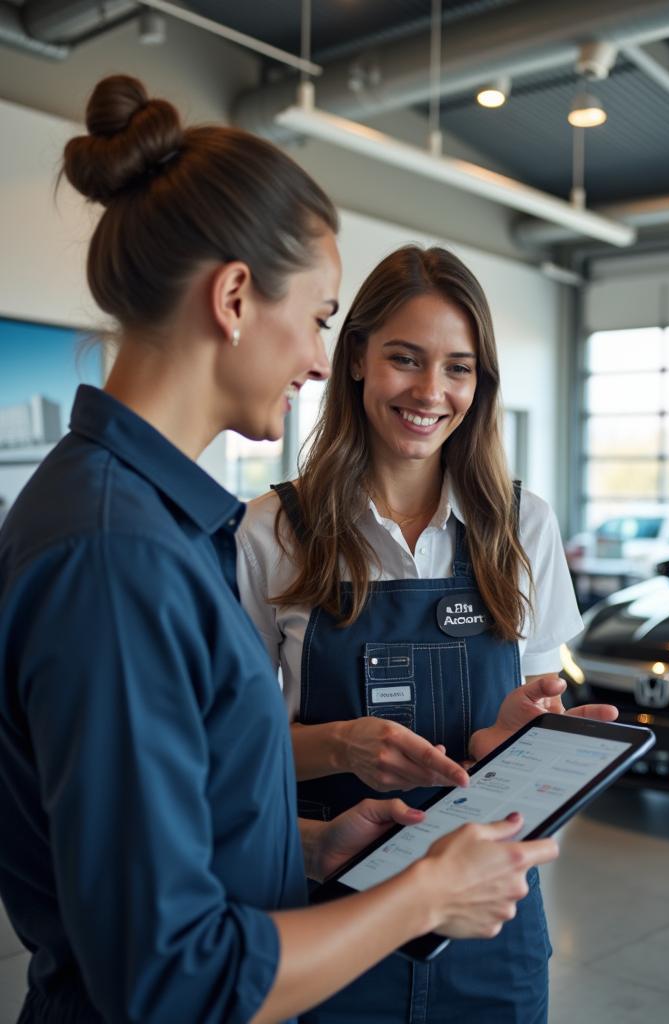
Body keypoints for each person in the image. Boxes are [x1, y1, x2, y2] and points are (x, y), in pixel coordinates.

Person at [0, 76, 560, 1024]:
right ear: (232, 298)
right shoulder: (116, 556)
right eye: (319, 318)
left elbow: (167, 832)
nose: (312, 357)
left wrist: (303, 847)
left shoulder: (163, 525)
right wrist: (417, 897)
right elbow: (174, 976)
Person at [237, 244, 616, 1023]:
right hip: (328, 902)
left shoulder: (521, 524)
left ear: (481, 384)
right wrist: (341, 745)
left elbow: (529, 709)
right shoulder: (273, 530)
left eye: (458, 368)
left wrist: (519, 734)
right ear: (356, 362)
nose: (430, 392)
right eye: (404, 359)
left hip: (490, 911)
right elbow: (233, 745)